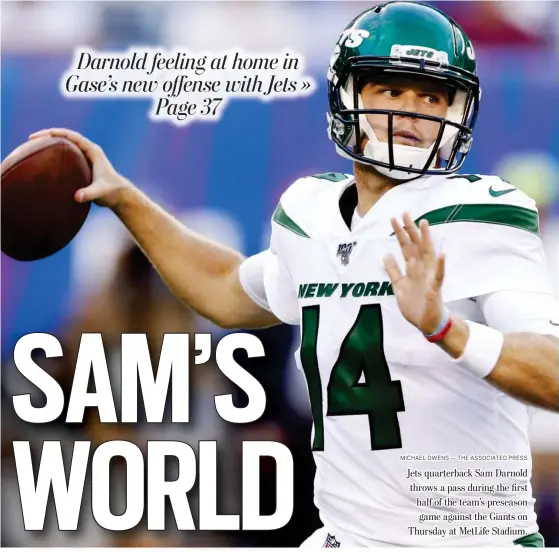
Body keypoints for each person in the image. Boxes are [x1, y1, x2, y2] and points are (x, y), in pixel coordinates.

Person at [30, 1, 559, 547]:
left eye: (431, 95)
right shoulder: (310, 212)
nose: (413, 112)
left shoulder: (480, 213)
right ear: (348, 96)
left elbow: (553, 374)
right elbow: (226, 290)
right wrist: (125, 199)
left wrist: (445, 328)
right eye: (391, 90)